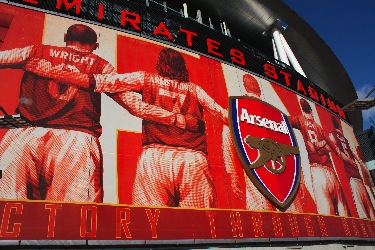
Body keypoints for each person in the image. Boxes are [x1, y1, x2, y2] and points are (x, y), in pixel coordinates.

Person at [29, 48, 228, 208]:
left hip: (154, 157)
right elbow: (224, 115)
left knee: (149, 228)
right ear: (182, 67)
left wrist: (53, 73)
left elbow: (105, 82)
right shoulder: (195, 90)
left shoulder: (145, 78)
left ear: (160, 64)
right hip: (193, 158)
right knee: (198, 227)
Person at [0, 24, 117, 202]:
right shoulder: (102, 65)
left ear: (64, 37)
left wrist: (50, 71)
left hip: (25, 134)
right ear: (94, 45)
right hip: (76, 138)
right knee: (72, 218)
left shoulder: (36, 51)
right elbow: (122, 88)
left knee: (8, 210)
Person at [289, 99, 350, 216]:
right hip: (330, 171)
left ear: (303, 110)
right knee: (344, 213)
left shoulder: (300, 119)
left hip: (317, 171)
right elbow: (331, 148)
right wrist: (321, 145)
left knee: (327, 216)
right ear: (311, 111)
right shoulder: (320, 128)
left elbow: (285, 119)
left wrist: (315, 146)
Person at [328, 117, 375, 219]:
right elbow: (360, 161)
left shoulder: (333, 134)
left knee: (364, 218)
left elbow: (339, 152)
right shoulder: (346, 140)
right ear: (339, 126)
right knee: (372, 214)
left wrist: (349, 161)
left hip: (353, 180)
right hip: (360, 179)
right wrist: (370, 180)